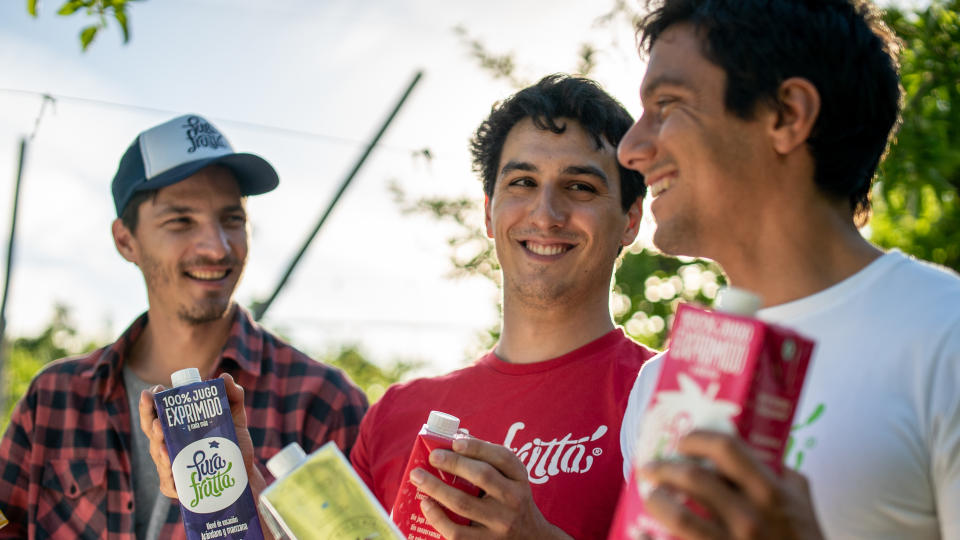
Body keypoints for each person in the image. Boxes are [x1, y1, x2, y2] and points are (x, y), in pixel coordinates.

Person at [616, 1, 960, 539]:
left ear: (787, 115)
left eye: (667, 104)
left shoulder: (946, 336)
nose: (630, 148)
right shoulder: (660, 384)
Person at [0, 114, 368, 539]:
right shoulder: (54, 399)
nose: (217, 247)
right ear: (126, 241)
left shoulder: (323, 402)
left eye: (232, 219)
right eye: (181, 221)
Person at [349, 74, 656, 540]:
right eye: (523, 182)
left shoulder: (667, 400)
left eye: (580, 188)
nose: (545, 214)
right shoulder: (394, 415)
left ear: (630, 220)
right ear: (489, 211)